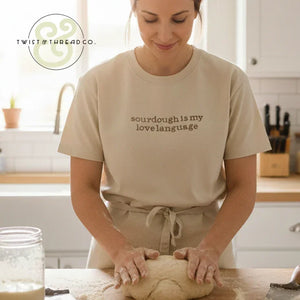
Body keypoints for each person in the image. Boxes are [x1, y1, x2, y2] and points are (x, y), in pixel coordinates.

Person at [57, 0, 271, 290]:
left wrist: (210, 249)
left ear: (197, 12)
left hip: (207, 254)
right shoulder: (97, 83)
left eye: (179, 20)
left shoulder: (230, 81)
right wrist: (121, 250)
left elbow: (243, 186)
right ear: (134, 12)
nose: (165, 34)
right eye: (150, 20)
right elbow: (82, 189)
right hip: (118, 254)